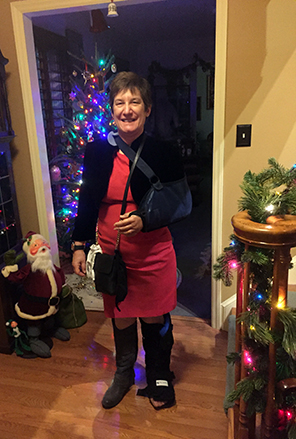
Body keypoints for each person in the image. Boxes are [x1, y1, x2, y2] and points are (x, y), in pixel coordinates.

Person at [72, 71, 186, 411]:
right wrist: (78, 245)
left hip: (153, 252)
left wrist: (144, 219)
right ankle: (123, 374)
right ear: (111, 109)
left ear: (147, 108)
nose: (127, 109)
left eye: (134, 101)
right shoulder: (96, 151)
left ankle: (159, 375)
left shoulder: (164, 151)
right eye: (120, 102)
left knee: (154, 317)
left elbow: (180, 203)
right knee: (120, 315)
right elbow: (88, 201)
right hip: (113, 254)